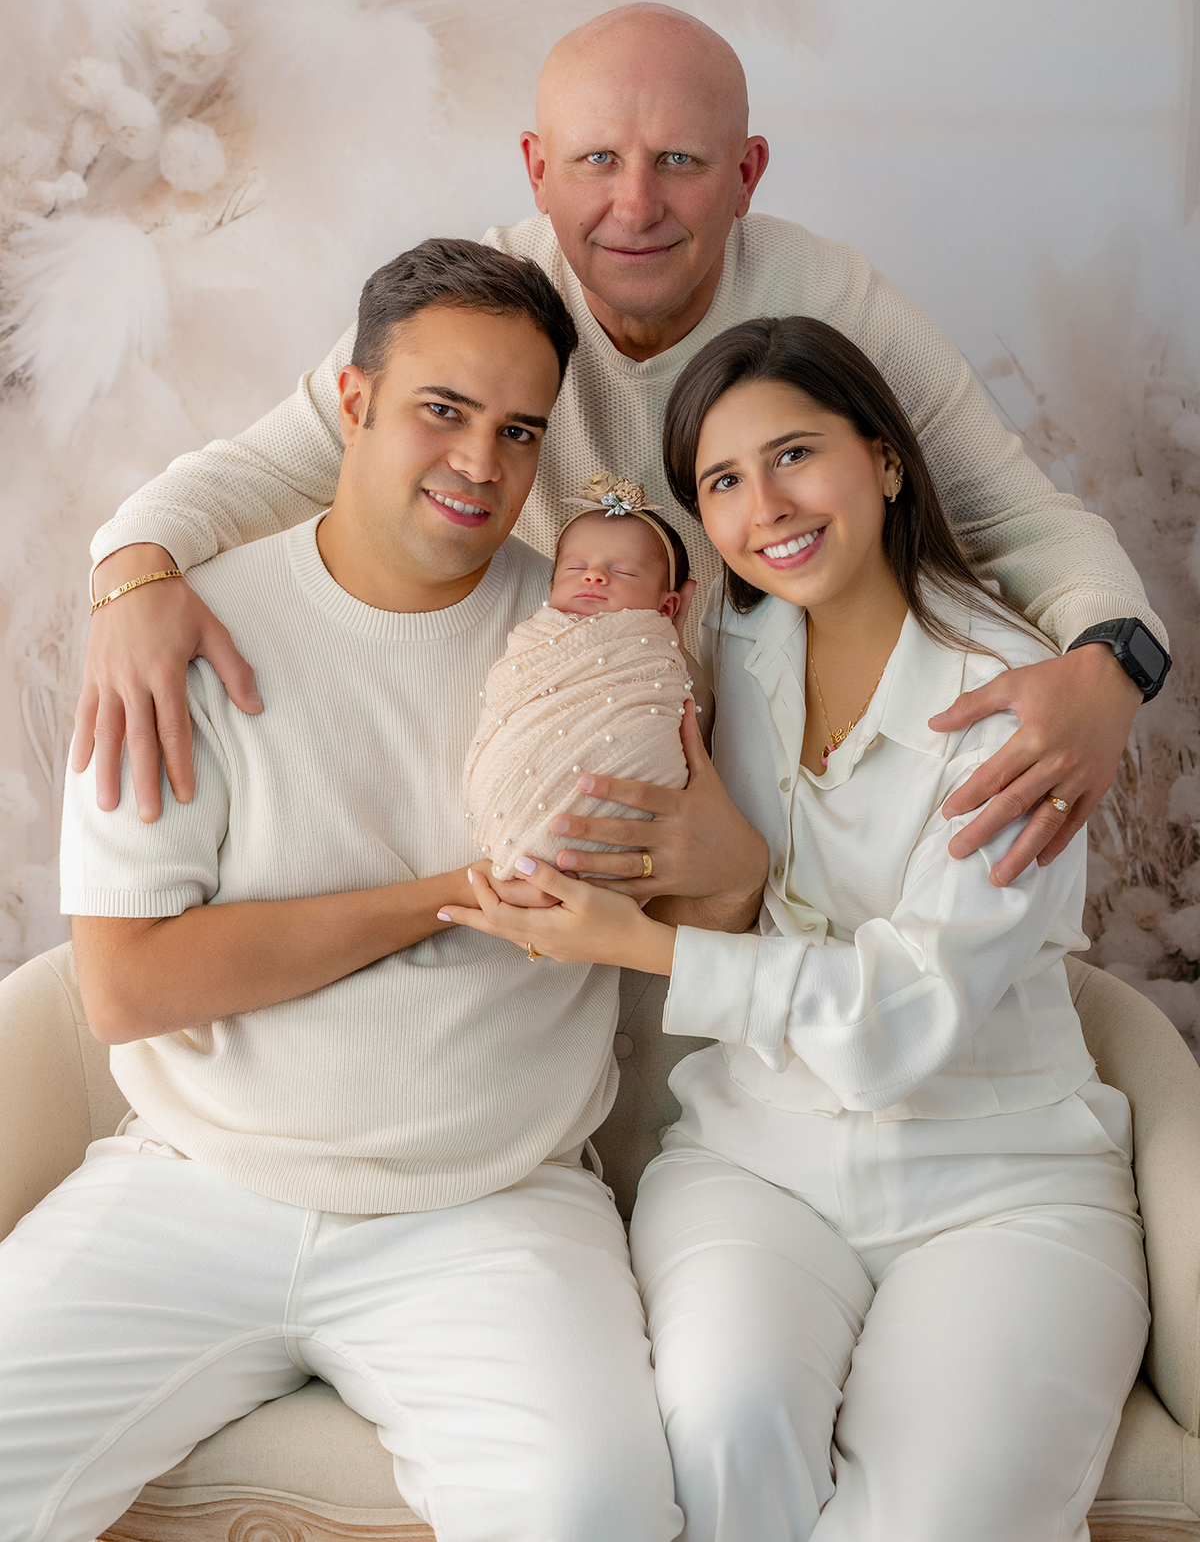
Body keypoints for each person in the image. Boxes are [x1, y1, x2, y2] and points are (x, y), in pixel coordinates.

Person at [74, 6, 1169, 890]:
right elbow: (258, 470)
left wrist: (1112, 670)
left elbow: (1018, 517)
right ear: (536, 169)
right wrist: (129, 577)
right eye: (596, 158)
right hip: (548, 757)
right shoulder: (485, 312)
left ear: (748, 173)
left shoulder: (831, 302)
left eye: (680, 160)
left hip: (773, 776)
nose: (633, 204)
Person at [0, 239, 682, 1542]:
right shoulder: (181, 634)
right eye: (442, 411)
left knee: (589, 1508)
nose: (483, 465)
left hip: (488, 1204)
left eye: (519, 430)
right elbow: (129, 986)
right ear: (353, 403)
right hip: (197, 1184)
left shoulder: (594, 648)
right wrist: (445, 895)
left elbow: (691, 904)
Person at [438, 315, 1151, 1542]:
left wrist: (648, 944)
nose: (765, 506)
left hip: (1000, 1182)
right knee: (721, 1434)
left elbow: (906, 1023)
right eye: (723, 481)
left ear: (882, 457)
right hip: (754, 1163)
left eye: (795, 455)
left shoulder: (1008, 707)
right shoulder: (717, 647)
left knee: (940, 1521)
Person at [464, 475, 696, 882]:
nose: (594, 577)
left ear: (668, 606)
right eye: (576, 567)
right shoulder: (535, 636)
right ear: (552, 587)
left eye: (622, 572)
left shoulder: (653, 654)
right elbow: (507, 695)